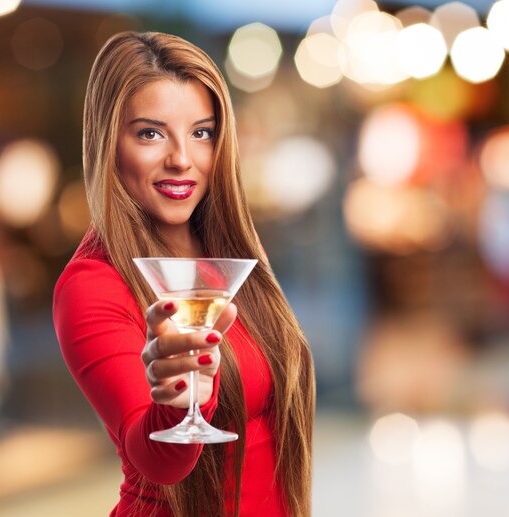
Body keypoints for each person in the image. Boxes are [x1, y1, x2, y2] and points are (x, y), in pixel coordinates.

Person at [53, 31, 315, 516]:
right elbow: (157, 461)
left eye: (202, 132)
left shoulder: (229, 248)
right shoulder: (92, 285)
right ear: (109, 143)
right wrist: (179, 400)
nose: (182, 159)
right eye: (150, 133)